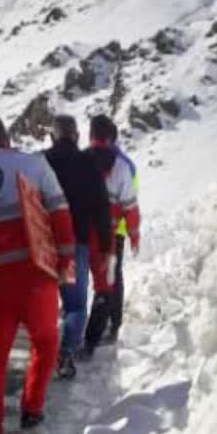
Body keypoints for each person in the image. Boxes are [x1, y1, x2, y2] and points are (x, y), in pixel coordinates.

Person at [0, 115, 75, 434]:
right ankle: (31, 408)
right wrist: (66, 259)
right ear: (6, 138)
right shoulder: (32, 165)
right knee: (45, 341)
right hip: (33, 275)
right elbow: (59, 214)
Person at [42, 115, 112, 380]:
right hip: (73, 248)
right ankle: (66, 354)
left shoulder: (39, 162)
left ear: (52, 136)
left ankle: (39, 353)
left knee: (41, 302)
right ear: (77, 136)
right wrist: (105, 245)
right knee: (75, 306)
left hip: (40, 247)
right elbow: (102, 208)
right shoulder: (88, 163)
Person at [81, 114, 140, 359]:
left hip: (79, 233)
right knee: (108, 284)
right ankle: (99, 334)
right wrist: (134, 232)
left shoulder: (79, 160)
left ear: (91, 135)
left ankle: (70, 325)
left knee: (73, 279)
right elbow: (130, 204)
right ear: (112, 137)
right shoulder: (123, 165)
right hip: (111, 236)